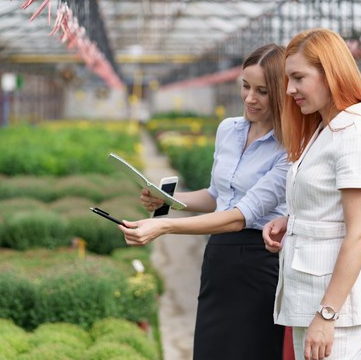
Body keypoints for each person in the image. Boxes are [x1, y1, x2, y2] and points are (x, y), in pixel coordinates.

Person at [119, 43, 288, 360]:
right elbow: (216, 196)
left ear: (281, 92)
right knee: (211, 349)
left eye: (262, 91)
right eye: (246, 86)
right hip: (218, 257)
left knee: (253, 349)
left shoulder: (288, 148)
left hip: (260, 263)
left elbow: (240, 216)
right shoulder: (229, 130)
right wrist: (166, 200)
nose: (250, 98)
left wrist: (165, 227)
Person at [263, 28, 361, 360]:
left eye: (298, 78)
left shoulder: (355, 135)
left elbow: (359, 234)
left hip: (336, 312)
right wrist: (290, 221)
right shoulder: (325, 130)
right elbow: (332, 207)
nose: (290, 90)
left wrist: (327, 315)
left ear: (330, 72)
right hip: (309, 298)